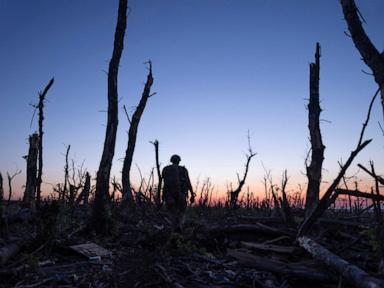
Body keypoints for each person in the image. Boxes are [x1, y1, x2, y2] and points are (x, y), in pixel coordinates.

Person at [162, 154, 195, 232]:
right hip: (181, 194)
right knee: (181, 211)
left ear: (171, 160)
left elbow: (162, 182)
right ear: (179, 161)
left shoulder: (166, 169)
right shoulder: (183, 170)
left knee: (172, 212)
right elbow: (188, 182)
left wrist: (161, 195)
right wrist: (192, 194)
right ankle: (179, 226)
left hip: (169, 194)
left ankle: (174, 228)